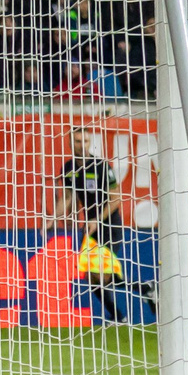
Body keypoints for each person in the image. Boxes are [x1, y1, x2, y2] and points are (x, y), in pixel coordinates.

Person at [52, 127, 144, 322]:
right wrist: (52, 217)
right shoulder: (68, 168)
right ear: (70, 143)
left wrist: (96, 219)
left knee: (101, 276)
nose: (82, 145)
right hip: (91, 227)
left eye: (85, 141)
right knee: (92, 278)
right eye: (78, 141)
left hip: (110, 225)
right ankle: (130, 304)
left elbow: (116, 199)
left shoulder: (101, 166)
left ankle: (124, 311)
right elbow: (68, 198)